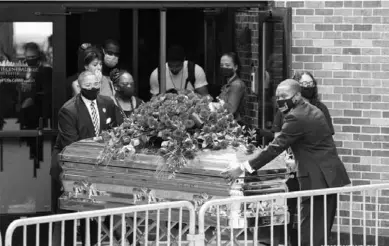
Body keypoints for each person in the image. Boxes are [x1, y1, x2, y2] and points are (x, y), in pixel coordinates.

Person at [223, 79, 351, 246]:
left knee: (311, 232)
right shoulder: (312, 110)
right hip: (327, 176)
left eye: (284, 96)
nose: (279, 100)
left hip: (317, 178)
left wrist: (242, 168)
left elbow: (275, 148)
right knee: (319, 229)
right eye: (277, 96)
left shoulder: (297, 116)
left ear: (297, 95)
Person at [50, 70, 118, 246]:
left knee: (94, 209)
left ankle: (93, 242)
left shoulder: (108, 103)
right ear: (79, 87)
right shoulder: (69, 109)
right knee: (70, 211)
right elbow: (72, 144)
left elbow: (117, 131)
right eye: (88, 86)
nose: (93, 88)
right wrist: (99, 142)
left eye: (96, 84)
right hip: (70, 164)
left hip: (98, 165)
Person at [211, 52, 247, 125]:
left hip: (235, 127)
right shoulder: (228, 84)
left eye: (227, 65)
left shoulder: (237, 85)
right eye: (222, 65)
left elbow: (231, 109)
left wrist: (214, 105)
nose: (224, 67)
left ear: (235, 67)